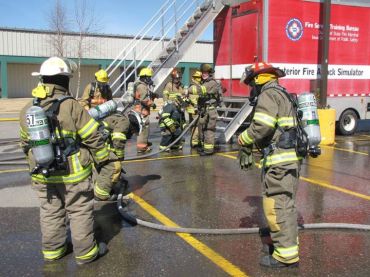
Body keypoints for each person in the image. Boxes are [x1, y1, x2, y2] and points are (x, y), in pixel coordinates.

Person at [19, 57, 108, 265]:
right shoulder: (71, 106)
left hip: (43, 171)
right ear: (64, 80)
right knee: (79, 210)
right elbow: (92, 137)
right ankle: (86, 253)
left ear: (43, 79)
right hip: (73, 174)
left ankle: (53, 251)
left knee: (50, 210)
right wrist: (103, 160)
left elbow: (24, 144)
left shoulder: (27, 110)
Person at [237, 62, 300, 268]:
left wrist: (243, 140)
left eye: (250, 84)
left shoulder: (268, 94)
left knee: (277, 206)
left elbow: (262, 127)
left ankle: (285, 256)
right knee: (283, 204)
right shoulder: (281, 93)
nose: (250, 89)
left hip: (279, 162)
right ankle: (283, 242)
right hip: (285, 160)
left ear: (257, 80)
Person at [197, 63, 220, 156]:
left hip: (210, 111)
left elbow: (200, 90)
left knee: (209, 130)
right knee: (203, 128)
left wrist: (190, 88)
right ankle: (204, 147)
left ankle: (209, 150)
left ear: (210, 73)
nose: (204, 74)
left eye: (206, 73)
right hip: (204, 110)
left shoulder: (212, 83)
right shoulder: (204, 82)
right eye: (203, 72)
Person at [134, 67, 157, 153]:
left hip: (139, 110)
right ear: (145, 77)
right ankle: (142, 147)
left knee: (143, 128)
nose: (150, 79)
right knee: (143, 129)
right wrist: (153, 104)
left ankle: (144, 142)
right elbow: (144, 100)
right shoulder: (142, 86)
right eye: (149, 77)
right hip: (142, 111)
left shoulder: (138, 84)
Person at [186, 70, 206, 148]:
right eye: (199, 78)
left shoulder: (193, 85)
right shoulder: (194, 87)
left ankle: (195, 140)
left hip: (192, 109)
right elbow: (195, 98)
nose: (200, 79)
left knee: (195, 125)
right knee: (197, 126)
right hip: (195, 110)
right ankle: (195, 141)